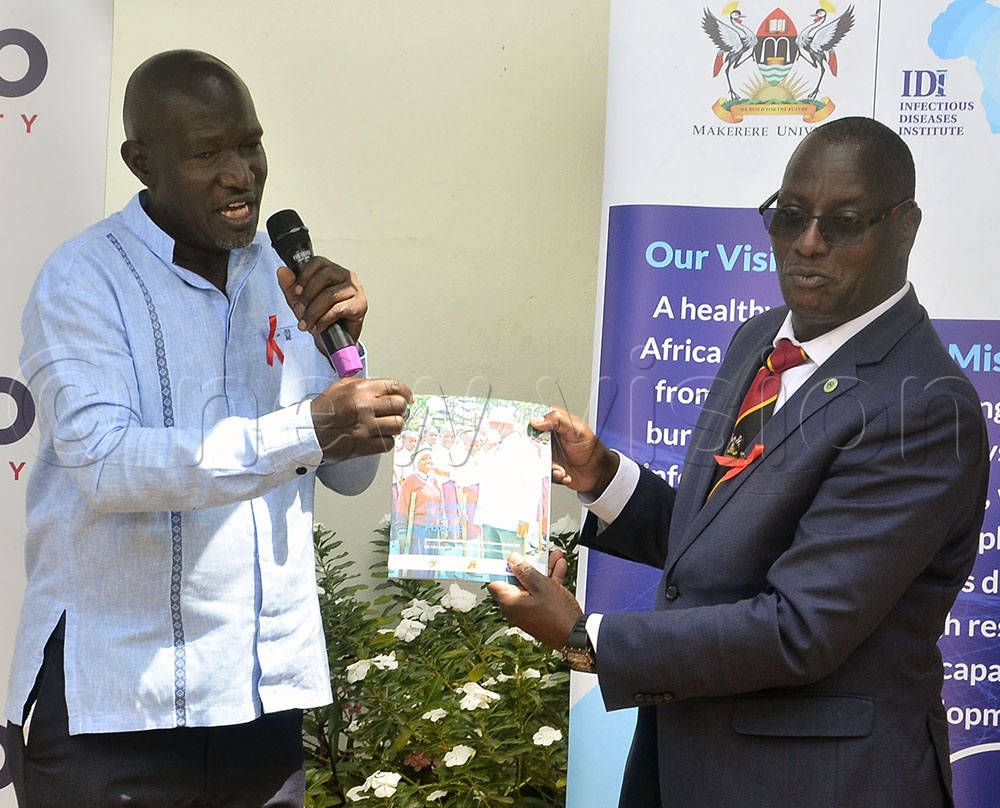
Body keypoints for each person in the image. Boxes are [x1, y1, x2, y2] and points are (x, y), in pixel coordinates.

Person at [489, 117, 990, 807]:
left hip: (818, 786)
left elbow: (798, 630)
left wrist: (584, 639)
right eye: (789, 217)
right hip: (684, 764)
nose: (807, 243)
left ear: (904, 227)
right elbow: (725, 548)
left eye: (843, 223)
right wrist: (606, 480)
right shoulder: (761, 339)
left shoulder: (923, 406)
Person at [4, 50, 411, 808]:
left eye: (250, 145)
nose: (241, 173)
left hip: (257, 698)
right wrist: (307, 426)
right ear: (141, 162)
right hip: (119, 703)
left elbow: (347, 474)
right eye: (207, 154)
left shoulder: (283, 275)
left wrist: (347, 365)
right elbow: (107, 464)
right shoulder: (84, 279)